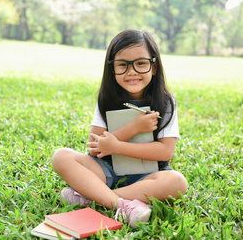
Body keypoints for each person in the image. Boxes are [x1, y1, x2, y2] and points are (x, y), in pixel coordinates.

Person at [51, 29, 188, 228]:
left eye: (141, 63)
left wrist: (117, 145)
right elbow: (94, 148)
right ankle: (122, 205)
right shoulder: (106, 99)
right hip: (106, 171)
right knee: (61, 156)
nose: (132, 71)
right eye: (122, 65)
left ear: (154, 66)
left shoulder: (166, 102)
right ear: (112, 69)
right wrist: (132, 129)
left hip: (147, 176)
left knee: (177, 182)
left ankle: (93, 198)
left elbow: (165, 151)